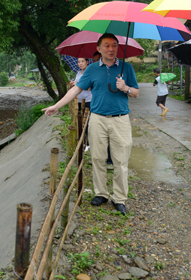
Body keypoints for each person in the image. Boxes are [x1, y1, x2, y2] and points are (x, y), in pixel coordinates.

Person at [43, 33, 139, 215]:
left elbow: (136, 93)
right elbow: (76, 90)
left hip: (120, 119)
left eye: (114, 45)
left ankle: (119, 198)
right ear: (99, 48)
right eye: (107, 45)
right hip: (97, 118)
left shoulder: (126, 68)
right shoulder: (92, 69)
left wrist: (125, 88)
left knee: (120, 160)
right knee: (97, 157)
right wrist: (56, 106)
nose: (111, 49)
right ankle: (101, 193)